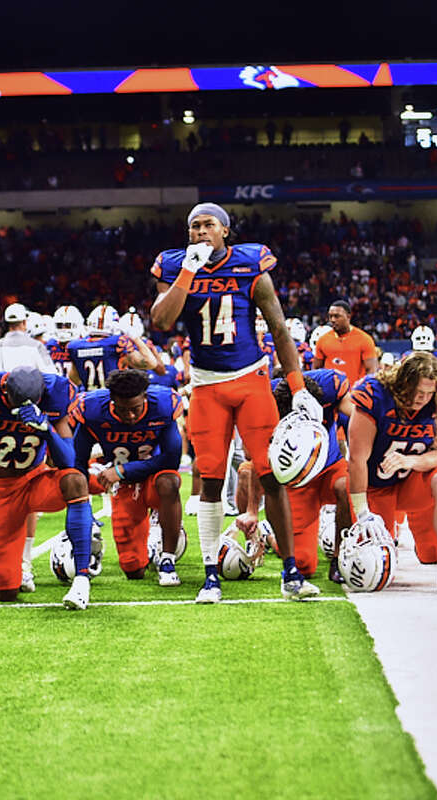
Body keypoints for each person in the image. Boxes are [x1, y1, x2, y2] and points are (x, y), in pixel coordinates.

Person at [149, 202, 320, 603]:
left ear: (226, 231)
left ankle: (290, 573)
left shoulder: (250, 263)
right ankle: (211, 574)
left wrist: (297, 386)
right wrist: (190, 269)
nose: (200, 232)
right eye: (193, 227)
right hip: (207, 386)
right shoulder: (174, 265)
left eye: (208, 225)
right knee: (209, 480)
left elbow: (279, 327)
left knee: (270, 474)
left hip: (251, 381)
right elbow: (161, 319)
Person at [0, 366, 92, 609]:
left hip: (36, 479)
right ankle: (7, 572)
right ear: (4, 392)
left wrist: (46, 430)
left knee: (76, 480)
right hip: (2, 490)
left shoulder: (56, 393)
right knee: (5, 591)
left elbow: (68, 460)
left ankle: (82, 579)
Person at [348, 352, 437, 594]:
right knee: (374, 570)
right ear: (403, 383)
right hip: (374, 487)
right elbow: (358, 458)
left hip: (409, 482)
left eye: (429, 393)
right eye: (418, 392)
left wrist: (409, 461)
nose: (423, 399)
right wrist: (362, 512)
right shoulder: (376, 393)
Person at [70, 369, 184, 585]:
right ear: (112, 401)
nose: (130, 416)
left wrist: (123, 470)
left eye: (135, 409)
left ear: (145, 397)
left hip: (152, 476)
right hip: (123, 486)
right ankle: (153, 540)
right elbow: (78, 461)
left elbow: (171, 459)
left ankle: (168, 558)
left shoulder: (162, 405)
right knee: (133, 570)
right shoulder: (93, 410)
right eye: (123, 410)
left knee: (169, 482)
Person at [270, 368, 354, 582]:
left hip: (330, 467)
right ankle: (270, 536)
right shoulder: (267, 400)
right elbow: (255, 462)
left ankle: (339, 557)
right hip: (297, 481)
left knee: (347, 487)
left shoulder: (330, 384)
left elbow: (356, 414)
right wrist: (252, 511)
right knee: (303, 565)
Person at [67, 303, 162, 390]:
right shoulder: (118, 342)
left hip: (89, 399)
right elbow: (151, 363)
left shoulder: (75, 346)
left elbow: (74, 380)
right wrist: (134, 336)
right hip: (113, 399)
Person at [313, 300, 377, 386]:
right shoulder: (323, 340)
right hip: (329, 396)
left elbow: (371, 371)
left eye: (337, 316)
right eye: (330, 316)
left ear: (348, 316)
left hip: (354, 395)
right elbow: (316, 369)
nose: (332, 320)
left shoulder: (364, 339)